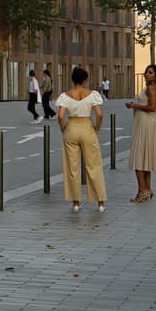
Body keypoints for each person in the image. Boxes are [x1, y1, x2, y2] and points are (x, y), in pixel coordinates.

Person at [55, 65, 106, 214]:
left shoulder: (65, 95)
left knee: (72, 167)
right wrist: (96, 128)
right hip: (87, 127)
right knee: (93, 165)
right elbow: (99, 114)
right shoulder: (92, 94)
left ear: (73, 79)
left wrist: (62, 127)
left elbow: (60, 115)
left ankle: (76, 202)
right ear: (85, 80)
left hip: (71, 128)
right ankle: (100, 201)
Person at [127, 62, 156, 202]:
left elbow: (151, 107)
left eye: (150, 72)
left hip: (145, 123)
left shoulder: (151, 88)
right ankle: (147, 189)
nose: (146, 74)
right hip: (145, 122)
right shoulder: (152, 87)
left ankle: (142, 191)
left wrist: (134, 105)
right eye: (146, 71)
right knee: (146, 158)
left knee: (138, 157)